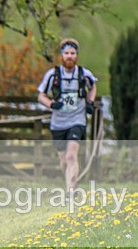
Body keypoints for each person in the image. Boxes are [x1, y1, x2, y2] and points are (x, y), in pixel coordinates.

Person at [36, 38, 97, 192]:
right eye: (67, 53)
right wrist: (50, 104)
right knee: (63, 161)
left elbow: (92, 87)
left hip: (77, 120)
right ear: (61, 56)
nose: (70, 56)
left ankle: (70, 191)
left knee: (71, 155)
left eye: (73, 53)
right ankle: (71, 183)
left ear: (76, 56)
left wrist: (90, 102)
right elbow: (40, 96)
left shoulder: (84, 74)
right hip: (58, 123)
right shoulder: (52, 75)